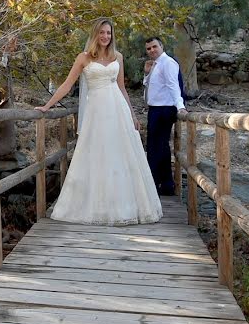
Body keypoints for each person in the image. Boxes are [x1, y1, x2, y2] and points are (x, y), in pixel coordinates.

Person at [36, 19, 162, 225]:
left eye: (109, 33)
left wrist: (132, 114)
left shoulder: (117, 57)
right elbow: (67, 85)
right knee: (96, 154)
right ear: (95, 34)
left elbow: (122, 88)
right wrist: (47, 106)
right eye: (102, 33)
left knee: (121, 154)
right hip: (96, 111)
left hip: (118, 110)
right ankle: (96, 206)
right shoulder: (84, 58)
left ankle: (125, 206)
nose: (105, 37)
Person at [143, 37, 187, 196]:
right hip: (155, 109)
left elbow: (173, 85)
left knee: (158, 148)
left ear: (161, 46)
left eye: (154, 47)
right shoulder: (155, 64)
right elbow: (150, 86)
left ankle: (157, 185)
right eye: (148, 49)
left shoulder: (168, 63)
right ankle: (165, 185)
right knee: (158, 147)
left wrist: (180, 107)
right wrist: (147, 74)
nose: (152, 50)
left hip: (165, 109)